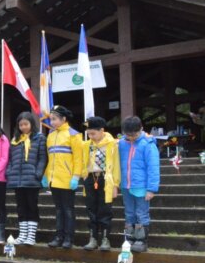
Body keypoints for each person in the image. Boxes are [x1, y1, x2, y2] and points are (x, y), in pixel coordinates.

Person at [42, 105, 83, 249]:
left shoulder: (74, 134)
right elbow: (50, 158)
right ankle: (59, 236)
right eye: (51, 119)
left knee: (68, 210)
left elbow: (78, 159)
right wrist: (46, 176)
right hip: (54, 179)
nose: (52, 122)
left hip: (67, 179)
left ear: (63, 119)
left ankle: (69, 237)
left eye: (54, 119)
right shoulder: (51, 135)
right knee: (58, 210)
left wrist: (76, 177)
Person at [118, 116, 160, 253]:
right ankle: (129, 237)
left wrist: (151, 189)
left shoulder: (148, 144)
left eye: (134, 135)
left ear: (141, 129)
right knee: (129, 213)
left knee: (141, 213)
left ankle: (141, 240)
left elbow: (153, 168)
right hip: (126, 185)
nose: (131, 138)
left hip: (141, 186)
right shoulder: (121, 144)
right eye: (128, 135)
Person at [81, 117, 121, 251]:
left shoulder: (111, 144)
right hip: (90, 178)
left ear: (102, 131)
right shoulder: (87, 145)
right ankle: (92, 238)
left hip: (105, 178)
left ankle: (105, 238)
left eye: (93, 133)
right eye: (89, 134)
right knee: (91, 209)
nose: (91, 136)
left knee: (105, 209)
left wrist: (116, 184)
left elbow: (116, 165)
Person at [7, 112, 47, 246]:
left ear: (31, 124)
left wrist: (38, 173)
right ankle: (22, 234)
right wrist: (10, 171)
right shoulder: (15, 140)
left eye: (26, 124)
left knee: (32, 206)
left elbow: (42, 157)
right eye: (21, 124)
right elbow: (11, 159)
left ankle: (31, 235)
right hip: (17, 179)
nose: (23, 127)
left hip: (32, 179)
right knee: (21, 207)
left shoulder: (39, 138)